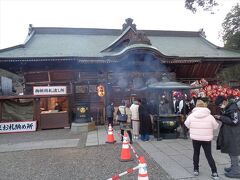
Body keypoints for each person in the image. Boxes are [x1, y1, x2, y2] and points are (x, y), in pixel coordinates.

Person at [184, 100, 219, 179]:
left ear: (196, 105)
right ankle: (214, 172)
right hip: (206, 138)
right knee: (208, 155)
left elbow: (186, 124)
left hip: (195, 138)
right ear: (204, 105)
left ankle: (196, 170)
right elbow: (216, 126)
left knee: (196, 153)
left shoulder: (191, 115)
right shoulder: (210, 116)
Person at [214, 95, 240, 178]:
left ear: (224, 102)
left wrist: (221, 117)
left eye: (220, 105)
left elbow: (235, 121)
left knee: (233, 152)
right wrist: (221, 117)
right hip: (230, 133)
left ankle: (236, 171)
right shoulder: (229, 107)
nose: (220, 106)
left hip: (234, 134)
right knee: (231, 151)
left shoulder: (233, 108)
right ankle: (234, 167)